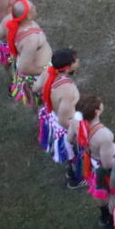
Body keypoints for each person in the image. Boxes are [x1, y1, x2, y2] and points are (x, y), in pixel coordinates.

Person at [34, 48, 83, 181]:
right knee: (77, 153)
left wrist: (49, 97)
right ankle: (76, 178)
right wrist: (82, 133)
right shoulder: (67, 90)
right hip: (64, 126)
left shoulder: (48, 71)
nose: (78, 61)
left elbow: (35, 88)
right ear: (68, 68)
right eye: (75, 60)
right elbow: (63, 121)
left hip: (51, 116)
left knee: (70, 155)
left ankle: (70, 170)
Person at [78, 94, 115, 229]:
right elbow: (108, 165)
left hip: (91, 164)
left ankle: (104, 216)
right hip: (104, 170)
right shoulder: (104, 136)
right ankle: (112, 224)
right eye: (100, 103)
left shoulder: (80, 124)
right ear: (97, 111)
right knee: (112, 196)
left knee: (98, 192)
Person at [4, 0, 51, 105]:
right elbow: (24, 68)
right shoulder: (31, 40)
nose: (35, 8)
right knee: (39, 101)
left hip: (38, 67)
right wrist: (47, 71)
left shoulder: (14, 22)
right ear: (28, 15)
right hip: (38, 75)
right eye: (32, 8)